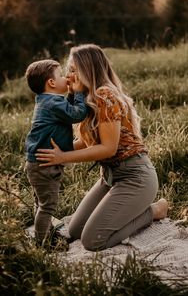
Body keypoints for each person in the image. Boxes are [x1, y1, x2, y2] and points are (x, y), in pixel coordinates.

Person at [35, 44, 169, 251]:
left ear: (87, 70)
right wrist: (55, 150)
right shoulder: (88, 99)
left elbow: (108, 148)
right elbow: (88, 142)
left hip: (135, 177)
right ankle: (128, 210)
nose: (69, 76)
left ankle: (154, 211)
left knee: (93, 240)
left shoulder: (105, 95)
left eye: (73, 70)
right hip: (109, 176)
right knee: (75, 230)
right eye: (68, 71)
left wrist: (63, 158)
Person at [25, 59, 87, 248]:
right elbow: (77, 114)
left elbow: (66, 111)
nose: (66, 78)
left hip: (36, 164)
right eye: (61, 75)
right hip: (45, 166)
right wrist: (78, 94)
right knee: (47, 206)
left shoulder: (47, 100)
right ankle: (42, 245)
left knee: (41, 203)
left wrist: (70, 95)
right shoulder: (53, 103)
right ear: (51, 83)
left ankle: (42, 233)